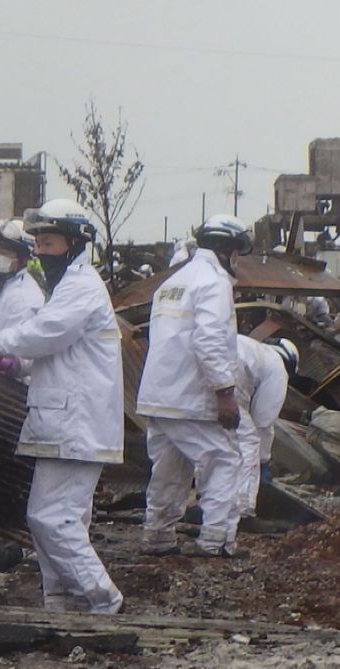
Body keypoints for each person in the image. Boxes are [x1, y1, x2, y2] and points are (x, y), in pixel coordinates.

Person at [0, 199, 124, 614]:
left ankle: (103, 600)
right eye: (37, 242)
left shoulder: (82, 287)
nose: (40, 251)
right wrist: (14, 362)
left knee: (52, 519)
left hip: (77, 423)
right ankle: (62, 601)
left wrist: (2, 344)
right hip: (63, 418)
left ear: (73, 243)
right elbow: (58, 352)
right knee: (56, 519)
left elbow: (48, 332)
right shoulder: (67, 286)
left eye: (48, 242)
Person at [137, 214, 252, 558]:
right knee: (225, 460)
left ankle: (157, 534)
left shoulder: (173, 282)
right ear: (229, 250)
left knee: (170, 468)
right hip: (191, 395)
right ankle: (216, 541)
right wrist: (225, 394)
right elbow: (209, 340)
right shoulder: (214, 283)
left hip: (159, 395)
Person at [233, 335, 293, 517]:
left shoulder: (254, 349)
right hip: (227, 378)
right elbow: (263, 421)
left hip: (196, 372)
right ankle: (244, 512)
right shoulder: (277, 366)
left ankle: (205, 503)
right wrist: (263, 461)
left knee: (212, 443)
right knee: (250, 442)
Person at [0, 218, 44, 347]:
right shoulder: (0, 287)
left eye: (3, 252)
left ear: (23, 259)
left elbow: (23, 350)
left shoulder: (24, 297)